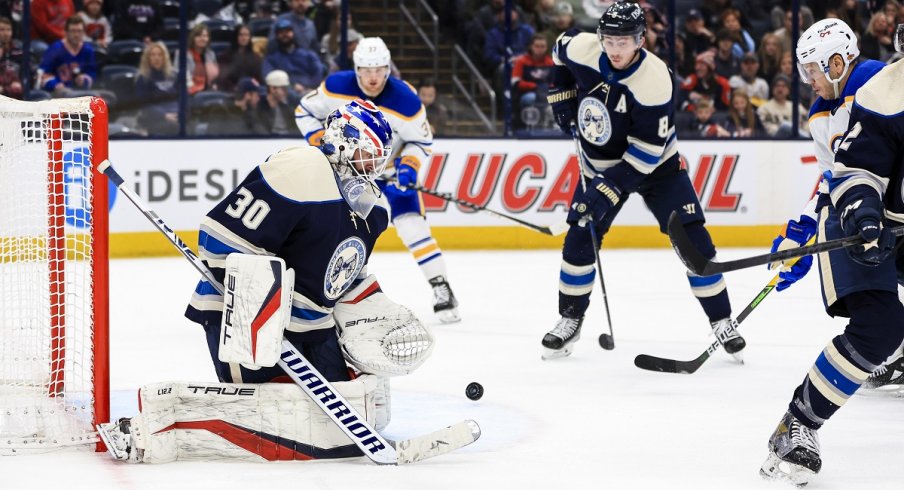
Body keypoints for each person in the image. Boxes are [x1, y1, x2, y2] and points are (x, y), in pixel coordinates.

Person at [98, 99, 434, 463]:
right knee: (281, 417)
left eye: (379, 155)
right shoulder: (302, 168)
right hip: (242, 319)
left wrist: (371, 308)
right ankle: (156, 425)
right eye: (370, 152)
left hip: (313, 328)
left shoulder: (375, 208)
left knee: (340, 417)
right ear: (344, 141)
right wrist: (260, 311)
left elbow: (341, 276)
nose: (376, 164)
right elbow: (219, 238)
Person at [541, 2, 744, 359]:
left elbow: (646, 155)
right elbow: (559, 50)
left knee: (693, 241)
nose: (615, 49)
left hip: (658, 168)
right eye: (610, 40)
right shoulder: (585, 48)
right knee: (579, 238)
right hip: (598, 165)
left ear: (640, 40)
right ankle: (569, 320)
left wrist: (608, 188)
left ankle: (722, 320)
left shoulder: (654, 81)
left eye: (625, 41)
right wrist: (560, 92)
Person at [759, 19, 895, 486]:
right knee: (879, 324)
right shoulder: (826, 112)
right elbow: (835, 179)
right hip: (855, 217)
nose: (809, 81)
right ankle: (798, 423)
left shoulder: (876, 83)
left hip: (894, 216)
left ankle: (892, 353)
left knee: (886, 330)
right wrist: (801, 231)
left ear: (838, 62)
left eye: (812, 70)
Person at [295, 37, 461, 323]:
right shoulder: (335, 87)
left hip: (391, 172)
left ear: (388, 69)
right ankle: (333, 291)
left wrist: (408, 166)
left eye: (379, 70)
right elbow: (304, 111)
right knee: (341, 233)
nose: (373, 78)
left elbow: (421, 142)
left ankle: (440, 286)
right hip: (349, 175)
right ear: (357, 69)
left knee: (412, 226)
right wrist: (320, 141)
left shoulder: (406, 100)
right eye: (366, 70)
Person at [38, 15, 96, 95]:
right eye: (73, 31)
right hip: (59, 93)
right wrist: (55, 84)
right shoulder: (55, 49)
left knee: (107, 97)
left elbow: (92, 72)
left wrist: (85, 79)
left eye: (79, 31)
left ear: (84, 33)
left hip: (81, 91)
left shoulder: (88, 50)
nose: (76, 35)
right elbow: (42, 74)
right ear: (66, 32)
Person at [135, 41, 178, 135]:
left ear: (165, 57)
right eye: (153, 55)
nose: (156, 58)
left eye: (160, 55)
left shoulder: (174, 76)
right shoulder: (143, 79)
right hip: (156, 119)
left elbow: (183, 97)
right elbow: (145, 104)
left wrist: (181, 114)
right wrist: (164, 115)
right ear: (148, 58)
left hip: (176, 115)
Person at [258, 69, 299, 135]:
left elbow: (294, 127)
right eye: (283, 89)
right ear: (272, 89)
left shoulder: (286, 106)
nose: (286, 92)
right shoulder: (260, 107)